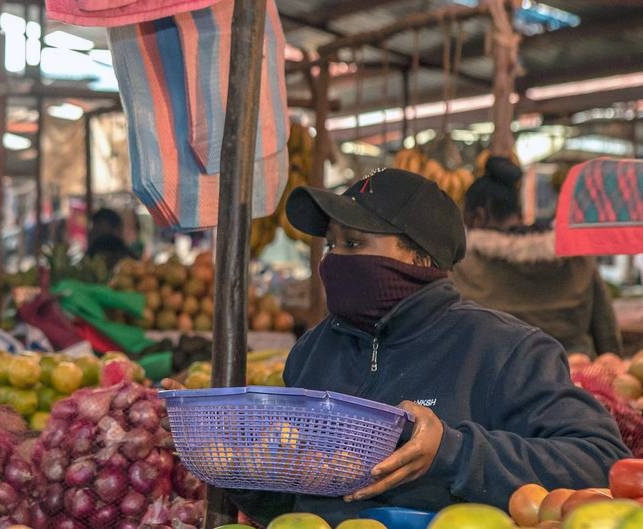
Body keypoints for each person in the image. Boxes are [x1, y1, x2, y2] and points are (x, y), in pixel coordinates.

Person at [225, 169, 629, 525]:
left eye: (354, 244)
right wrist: (245, 473)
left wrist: (453, 452)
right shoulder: (313, 351)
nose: (334, 260)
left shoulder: (506, 349)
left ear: (420, 257)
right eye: (332, 245)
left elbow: (599, 460)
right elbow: (287, 505)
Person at [453, 156, 621, 356]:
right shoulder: (576, 257)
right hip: (574, 375)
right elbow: (607, 332)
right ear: (520, 213)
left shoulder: (463, 266)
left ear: (478, 216)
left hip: (498, 376)